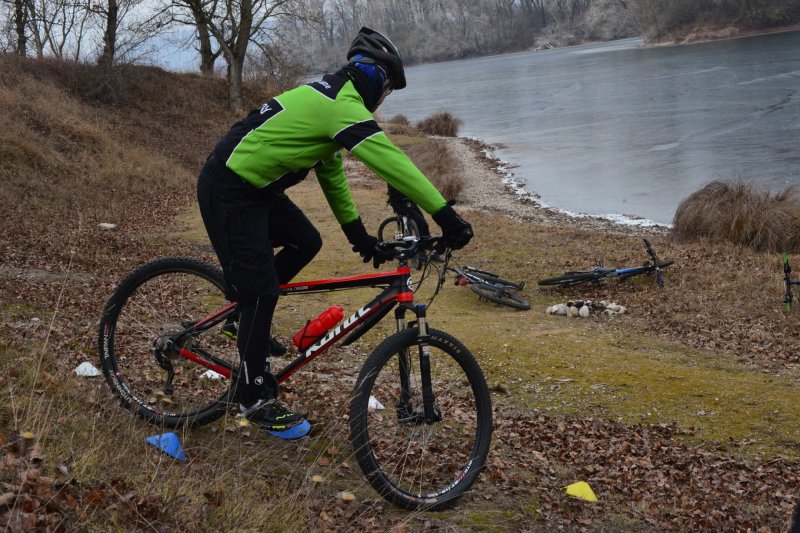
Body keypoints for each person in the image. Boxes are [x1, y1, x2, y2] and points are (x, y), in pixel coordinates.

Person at [196, 27, 473, 434]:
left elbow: (331, 171)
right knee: (260, 292)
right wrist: (444, 214)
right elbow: (389, 160)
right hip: (230, 189)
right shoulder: (339, 104)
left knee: (306, 241)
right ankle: (253, 398)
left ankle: (242, 321)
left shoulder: (329, 97)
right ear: (377, 80)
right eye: (387, 90)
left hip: (256, 188)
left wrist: (356, 234)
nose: (383, 100)